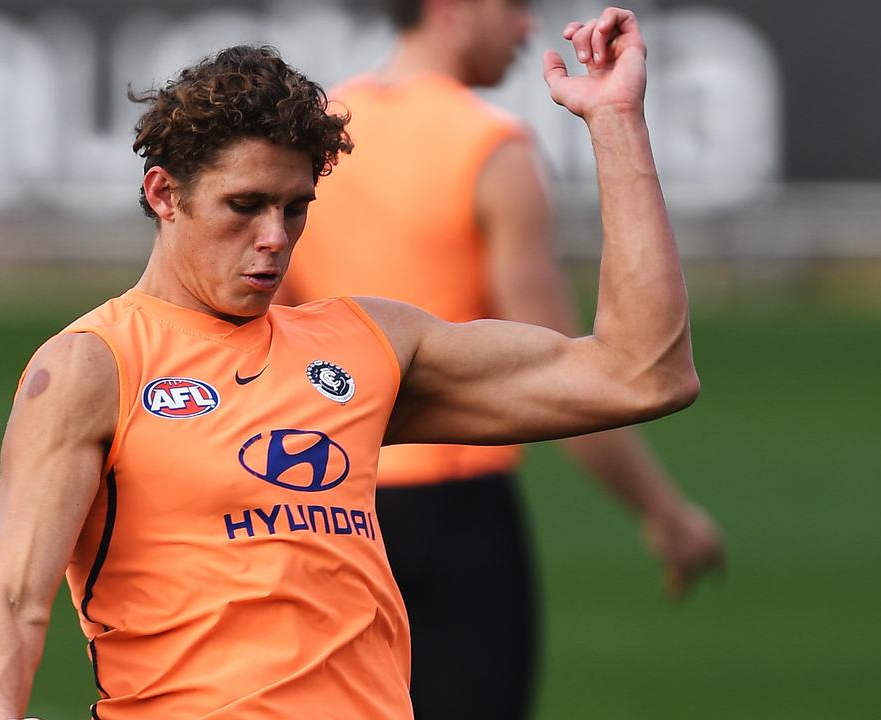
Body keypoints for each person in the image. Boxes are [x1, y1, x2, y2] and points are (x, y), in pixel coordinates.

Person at [0, 8, 701, 719]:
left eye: (295, 207)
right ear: (163, 194)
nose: (274, 237)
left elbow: (640, 374)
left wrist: (615, 123)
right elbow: (8, 600)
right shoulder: (93, 366)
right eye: (243, 205)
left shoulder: (367, 345)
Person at [280, 1, 725, 716]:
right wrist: (662, 512)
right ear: (452, 10)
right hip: (457, 503)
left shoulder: (316, 138)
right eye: (513, 9)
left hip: (323, 496)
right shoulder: (491, 148)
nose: (526, 29)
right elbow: (573, 376)